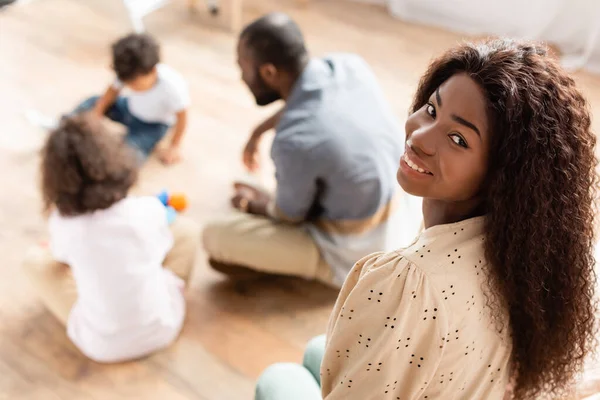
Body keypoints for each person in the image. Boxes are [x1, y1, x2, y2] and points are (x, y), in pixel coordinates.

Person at [254, 38, 598, 399]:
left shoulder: (408, 281)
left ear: (503, 174)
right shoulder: (522, 250)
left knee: (278, 378)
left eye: (457, 138)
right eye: (432, 110)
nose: (418, 137)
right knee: (316, 351)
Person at [202, 13, 410, 287]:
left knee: (215, 239)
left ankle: (321, 269)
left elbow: (289, 215)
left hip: (360, 252)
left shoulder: (293, 141)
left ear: (268, 72)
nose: (241, 76)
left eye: (243, 67)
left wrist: (251, 204)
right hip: (404, 212)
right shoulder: (348, 66)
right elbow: (312, 105)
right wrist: (258, 131)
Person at [22, 114, 199, 363]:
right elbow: (161, 234)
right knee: (187, 231)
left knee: (34, 262)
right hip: (165, 327)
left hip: (103, 345)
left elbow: (60, 258)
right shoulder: (145, 209)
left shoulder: (65, 225)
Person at [74, 33, 189, 164]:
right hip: (128, 108)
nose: (129, 86)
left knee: (130, 157)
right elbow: (112, 90)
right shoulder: (127, 71)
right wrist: (97, 113)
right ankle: (65, 129)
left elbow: (182, 118)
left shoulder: (172, 86)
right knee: (92, 102)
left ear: (152, 71)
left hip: (152, 125)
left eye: (133, 84)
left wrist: (174, 147)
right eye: (126, 82)